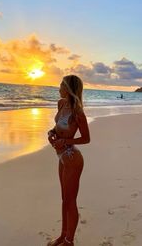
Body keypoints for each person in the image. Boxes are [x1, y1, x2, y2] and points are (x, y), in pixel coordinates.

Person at [47, 75, 90, 246]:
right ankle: (63, 235)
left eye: (61, 84)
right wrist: (51, 133)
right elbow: (58, 127)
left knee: (70, 200)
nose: (58, 87)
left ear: (68, 88)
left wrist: (65, 141)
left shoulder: (78, 112)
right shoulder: (61, 103)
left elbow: (86, 138)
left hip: (72, 158)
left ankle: (69, 241)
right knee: (64, 199)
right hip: (61, 157)